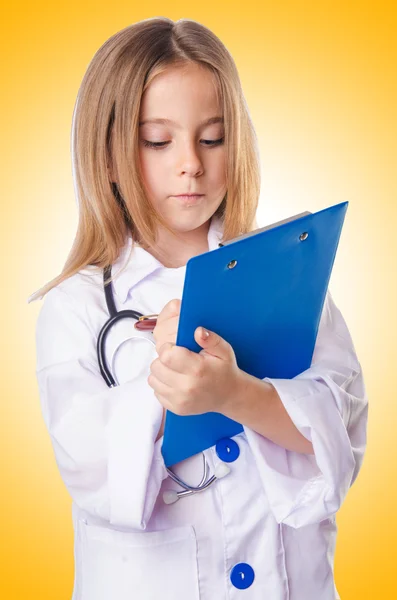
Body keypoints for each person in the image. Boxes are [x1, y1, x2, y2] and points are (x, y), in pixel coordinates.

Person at [28, 17, 368, 600]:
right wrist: (163, 382)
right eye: (158, 140)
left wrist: (234, 394)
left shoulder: (290, 272)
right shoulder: (76, 307)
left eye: (212, 138)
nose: (191, 163)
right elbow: (90, 470)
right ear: (106, 150)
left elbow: (340, 432)